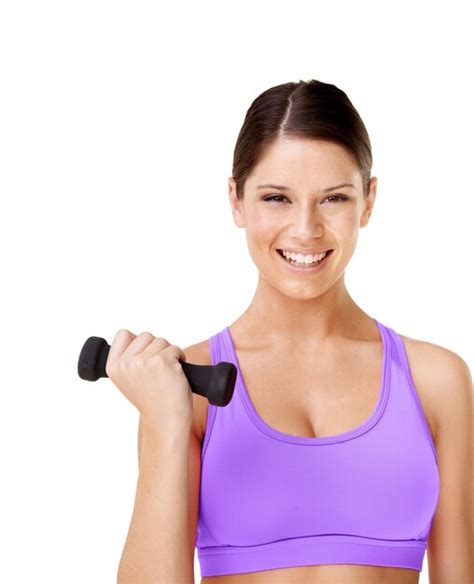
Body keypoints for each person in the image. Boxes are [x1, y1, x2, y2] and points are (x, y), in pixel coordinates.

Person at [111, 79, 473, 584]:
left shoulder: (437, 381)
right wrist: (165, 424)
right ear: (236, 201)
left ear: (368, 202)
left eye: (333, 198)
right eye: (277, 197)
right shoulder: (186, 388)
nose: (306, 229)